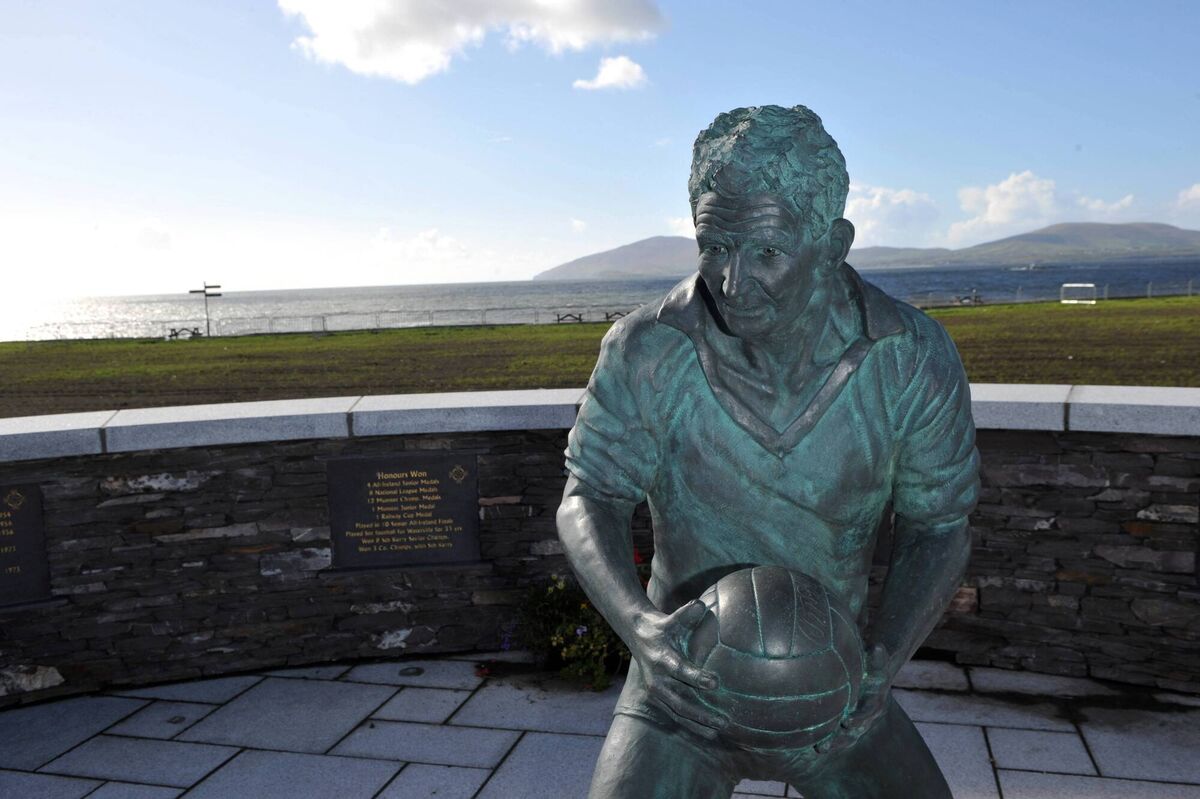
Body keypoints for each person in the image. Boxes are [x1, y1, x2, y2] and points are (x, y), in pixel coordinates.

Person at [556, 105, 980, 798]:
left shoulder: (910, 357)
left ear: (833, 242)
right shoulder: (645, 349)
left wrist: (883, 660)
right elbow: (589, 496)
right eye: (712, 245)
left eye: (766, 252)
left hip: (835, 695)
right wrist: (642, 631)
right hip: (682, 692)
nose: (731, 279)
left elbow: (939, 526)